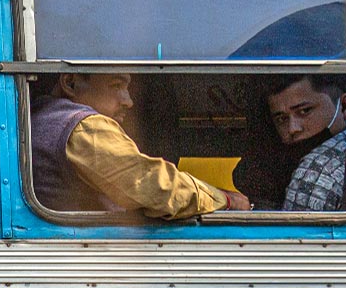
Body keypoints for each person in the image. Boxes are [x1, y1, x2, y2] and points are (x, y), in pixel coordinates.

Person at [31, 73, 248, 218]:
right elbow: (154, 187)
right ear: (70, 83)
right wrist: (226, 200)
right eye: (116, 85)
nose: (128, 101)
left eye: (127, 88)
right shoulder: (82, 126)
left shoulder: (40, 115)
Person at [237, 74, 346, 212]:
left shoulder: (313, 174)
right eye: (282, 119)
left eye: (304, 111)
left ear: (345, 106)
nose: (293, 129)